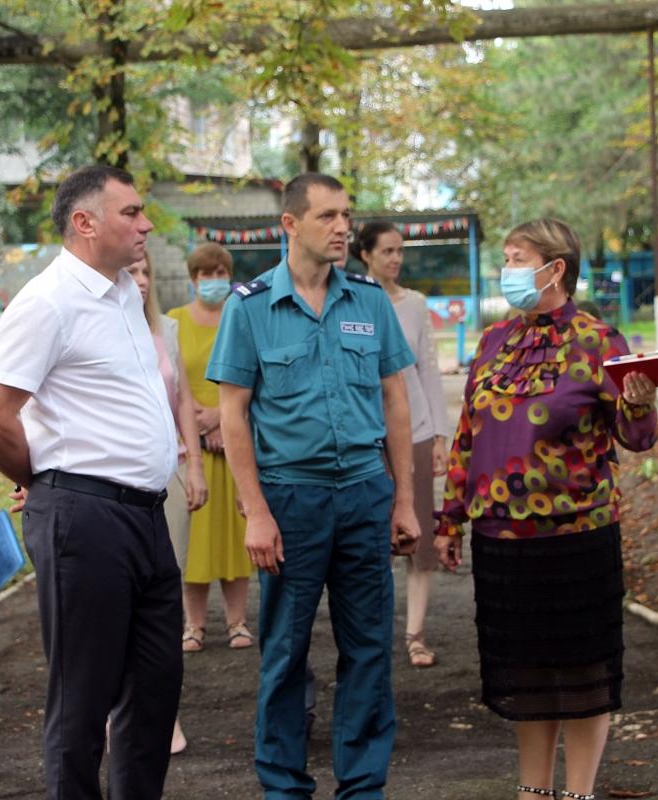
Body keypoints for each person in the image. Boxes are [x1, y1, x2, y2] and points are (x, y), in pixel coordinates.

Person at [0, 165, 181, 800]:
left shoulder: (124, 294)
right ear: (85, 223)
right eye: (131, 213)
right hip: (86, 521)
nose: (145, 225)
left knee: (154, 691)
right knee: (82, 700)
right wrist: (44, 480)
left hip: (146, 516)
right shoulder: (48, 302)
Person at [207, 172, 419, 799]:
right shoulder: (249, 307)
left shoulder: (368, 301)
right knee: (284, 652)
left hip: (363, 493)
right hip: (290, 500)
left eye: (346, 215)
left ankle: (362, 787)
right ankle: (283, 787)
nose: (343, 227)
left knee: (369, 650)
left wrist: (403, 500)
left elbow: (395, 400)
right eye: (328, 216)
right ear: (290, 224)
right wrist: (255, 511)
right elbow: (233, 414)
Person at [433, 218, 658, 800]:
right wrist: (450, 517)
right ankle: (532, 792)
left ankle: (579, 793)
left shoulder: (598, 341)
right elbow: (468, 434)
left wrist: (639, 404)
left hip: (576, 538)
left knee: (583, 669)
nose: (506, 270)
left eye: (517, 259)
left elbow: (636, 437)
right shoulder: (493, 341)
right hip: (502, 541)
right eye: (506, 258)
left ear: (555, 269)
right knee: (526, 670)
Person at [353, 221, 455, 668]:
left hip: (415, 431)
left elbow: (427, 371)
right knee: (372, 539)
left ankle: (415, 634)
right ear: (366, 255)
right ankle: (373, 635)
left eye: (399, 251)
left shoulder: (414, 304)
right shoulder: (352, 299)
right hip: (366, 436)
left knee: (420, 538)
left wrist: (439, 436)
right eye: (387, 251)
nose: (395, 258)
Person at [125, 252, 209, 755]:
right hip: (113, 484)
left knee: (164, 597)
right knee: (118, 599)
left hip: (169, 475)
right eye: (130, 272)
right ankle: (118, 709)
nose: (139, 281)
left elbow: (182, 401)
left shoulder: (167, 330)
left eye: (145, 272)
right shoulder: (95, 328)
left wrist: (194, 466)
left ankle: (164, 713)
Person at [166, 243, 253, 652]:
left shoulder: (241, 317)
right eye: (206, 274)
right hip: (189, 447)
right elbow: (169, 379)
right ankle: (194, 624)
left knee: (237, 536)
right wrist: (197, 425)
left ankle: (237, 621)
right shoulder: (174, 321)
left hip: (235, 440)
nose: (214, 281)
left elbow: (252, 374)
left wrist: (221, 416)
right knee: (194, 539)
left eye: (220, 273)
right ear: (193, 278)